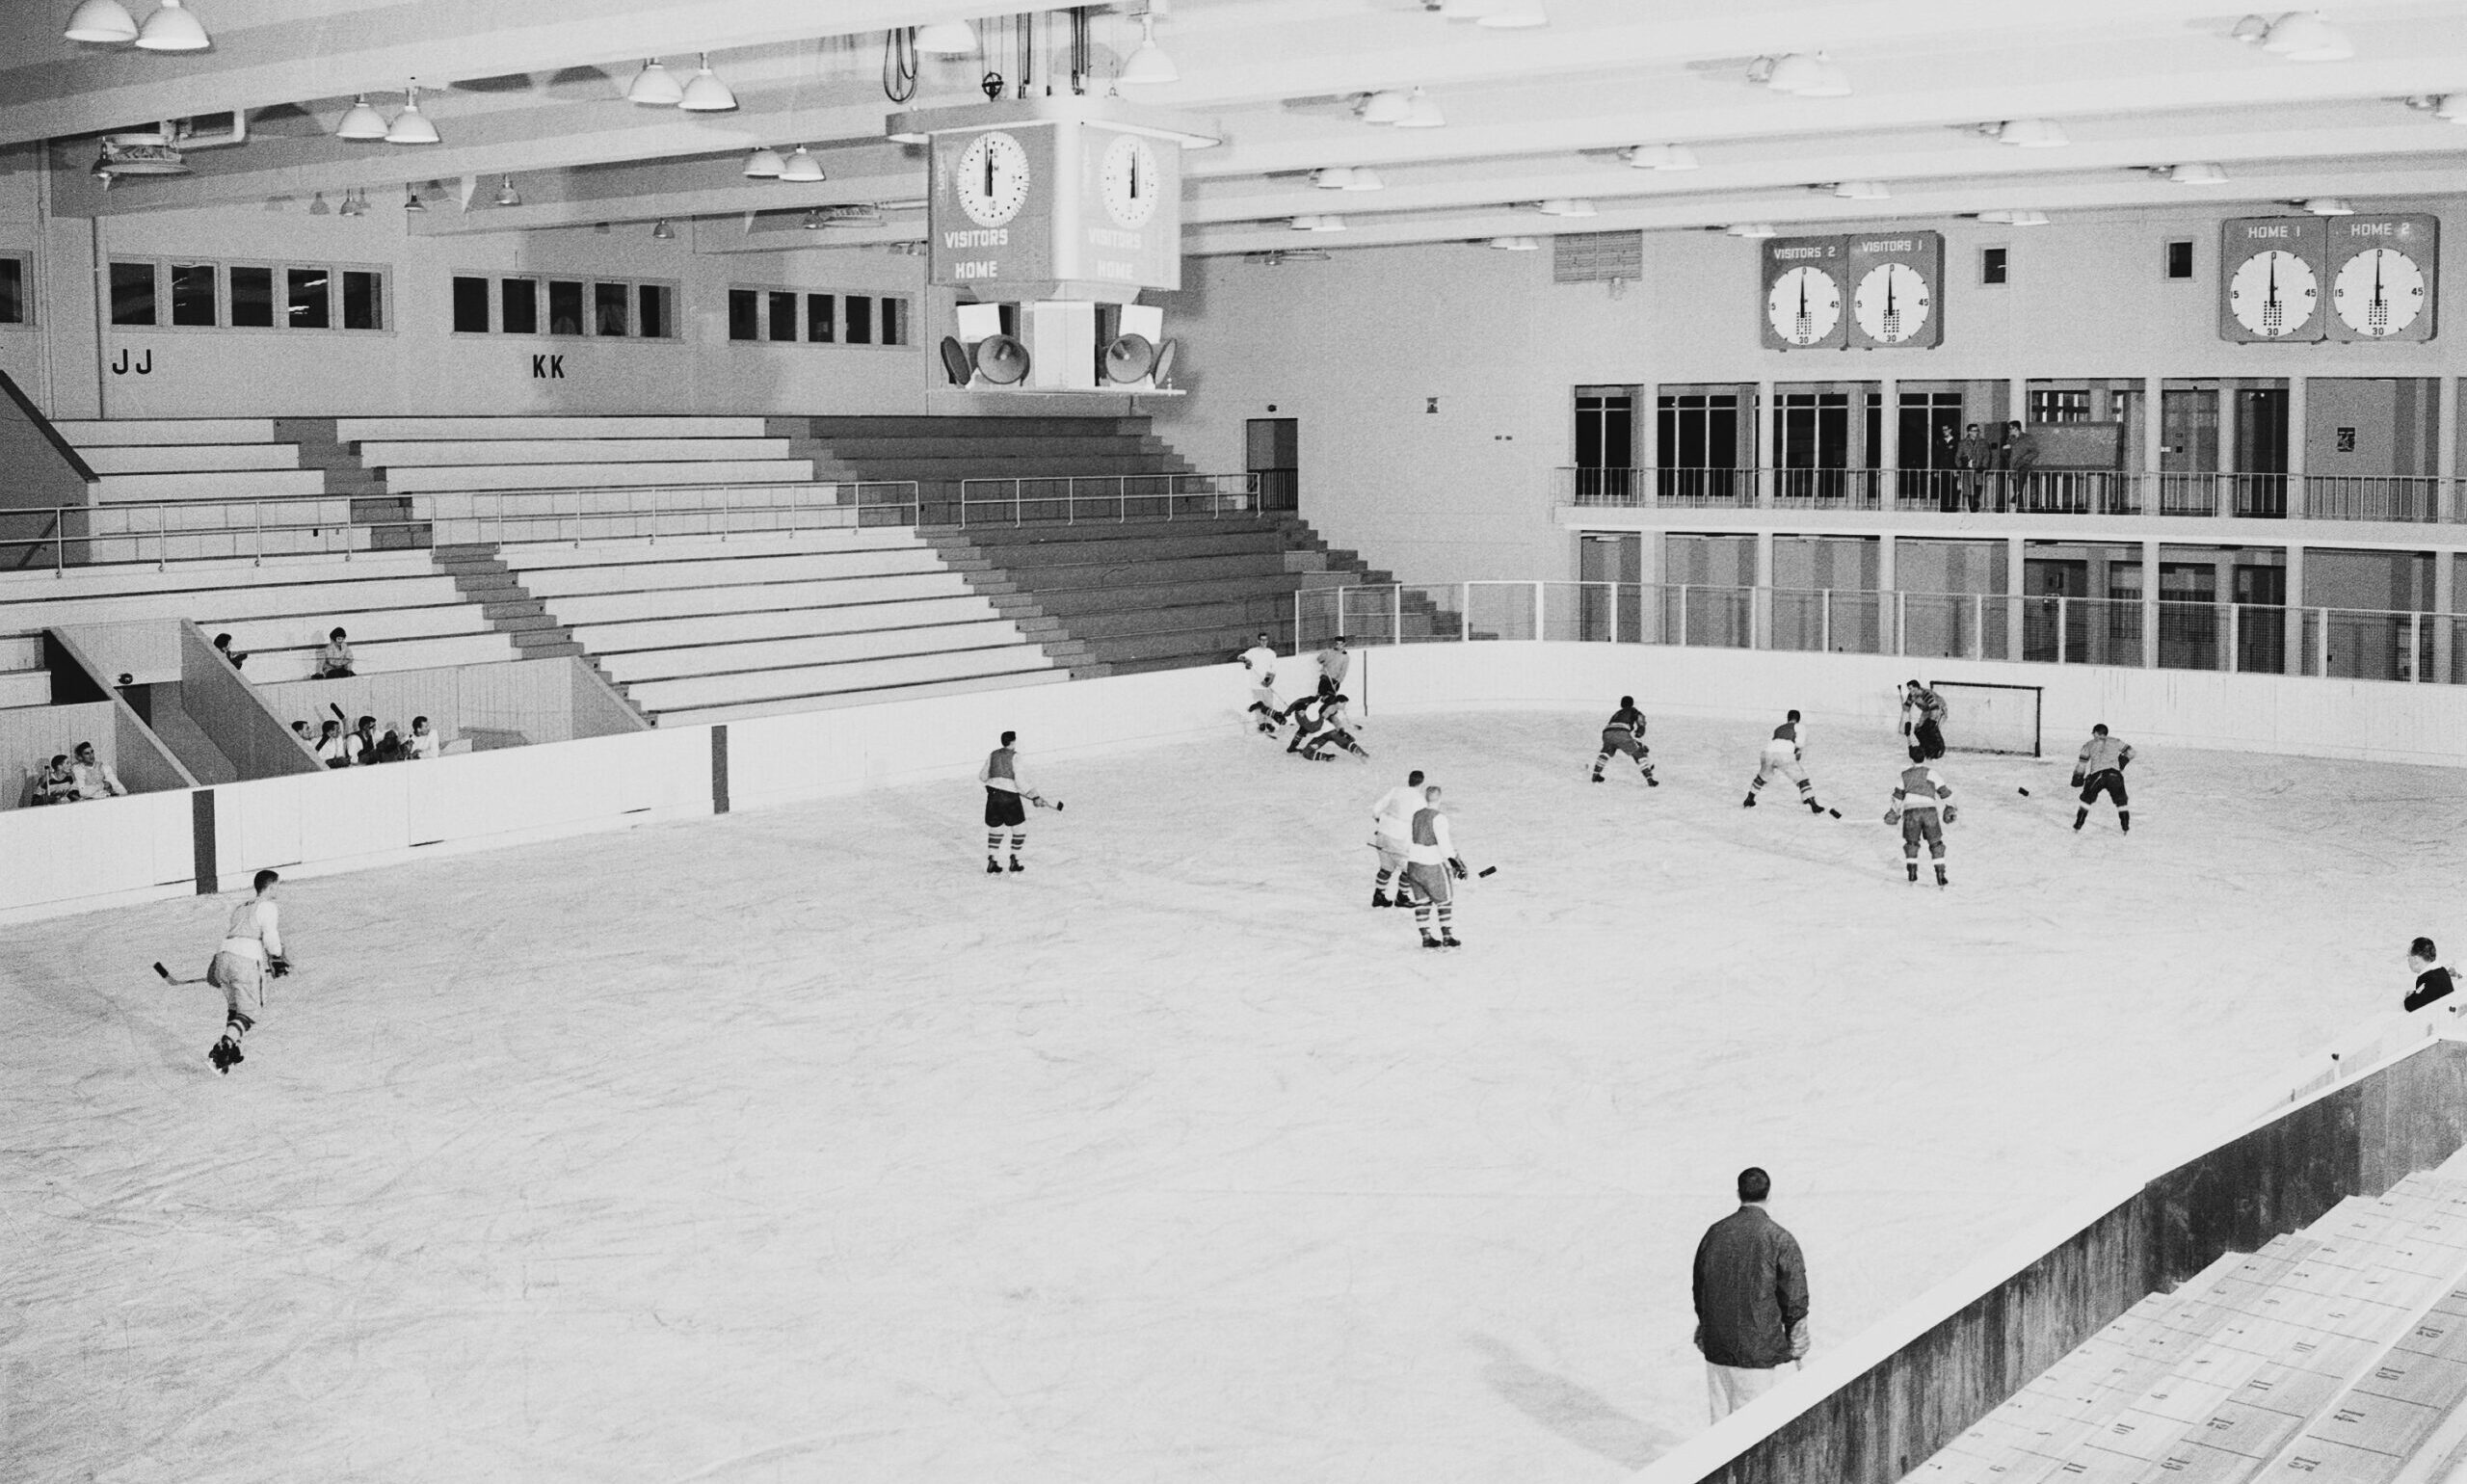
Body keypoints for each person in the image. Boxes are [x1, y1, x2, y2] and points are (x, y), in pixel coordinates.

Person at [1692, 1167, 1811, 1423]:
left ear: (1738, 1193)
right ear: (1768, 1194)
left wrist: (1706, 1324)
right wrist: (1796, 1330)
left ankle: (1718, 1463)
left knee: (1720, 1420)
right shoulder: (1779, 1238)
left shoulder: (1715, 1234)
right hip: (1757, 1347)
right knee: (1751, 1424)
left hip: (1718, 1344)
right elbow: (1794, 1293)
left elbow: (1699, 1284)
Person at [201, 868, 289, 1073]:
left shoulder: (241, 908)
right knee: (249, 1011)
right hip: (246, 961)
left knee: (236, 1007)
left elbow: (234, 935)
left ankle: (233, 1047)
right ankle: (224, 1047)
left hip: (223, 959)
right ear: (271, 885)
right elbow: (271, 939)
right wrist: (277, 958)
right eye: (277, 884)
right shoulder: (267, 906)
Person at [1402, 783, 1468, 949]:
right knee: (1444, 900)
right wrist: (1456, 863)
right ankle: (1447, 936)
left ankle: (1426, 937)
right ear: (1440, 798)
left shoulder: (1417, 814)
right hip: (1431, 864)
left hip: (1413, 863)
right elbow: (1445, 846)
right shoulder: (1439, 818)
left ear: (1426, 798)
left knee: (1422, 902)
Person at [1886, 744, 1955, 888]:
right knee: (1936, 844)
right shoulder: (1931, 773)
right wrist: (1950, 806)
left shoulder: (1904, 776)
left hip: (1911, 812)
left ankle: (1912, 873)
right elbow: (1944, 791)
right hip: (1929, 812)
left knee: (1911, 844)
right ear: (1924, 757)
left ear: (1911, 758)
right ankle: (1940, 875)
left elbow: (1898, 797)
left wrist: (1895, 812)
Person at [979, 729, 1047, 875]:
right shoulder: (1016, 757)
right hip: (1009, 798)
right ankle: (1014, 860)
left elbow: (983, 776)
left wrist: (997, 780)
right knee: (1019, 830)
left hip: (993, 797)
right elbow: (1020, 780)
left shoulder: (993, 754)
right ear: (1013, 742)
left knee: (995, 828)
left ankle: (992, 861)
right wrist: (1034, 796)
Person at [1743, 711, 1825, 814]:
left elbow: (1773, 741)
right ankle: (1813, 804)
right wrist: (1797, 752)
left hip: (1767, 753)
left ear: (1788, 718)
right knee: (1801, 779)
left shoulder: (1779, 728)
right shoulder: (1799, 727)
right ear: (1798, 719)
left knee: (1762, 776)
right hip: (1784, 754)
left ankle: (1749, 798)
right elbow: (1800, 743)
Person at [1368, 769, 1425, 908]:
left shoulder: (1396, 790)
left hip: (1383, 834)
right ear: (1421, 783)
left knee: (1386, 867)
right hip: (1400, 839)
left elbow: (1376, 808)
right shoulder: (1419, 799)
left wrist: (1381, 821)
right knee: (1409, 869)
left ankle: (1379, 895)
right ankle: (1402, 896)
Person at [2072, 724, 2135, 833]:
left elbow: (2082, 764)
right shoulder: (2116, 741)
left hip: (2097, 775)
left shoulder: (2088, 745)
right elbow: (2131, 752)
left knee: (2086, 800)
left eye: (2094, 733)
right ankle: (2125, 828)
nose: (2093, 735)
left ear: (2097, 733)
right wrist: (2121, 763)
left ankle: (2078, 826)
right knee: (2121, 801)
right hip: (2114, 774)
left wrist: (2078, 777)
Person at [1590, 695, 1658, 786]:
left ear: (1621, 704)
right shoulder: (1634, 711)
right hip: (1621, 733)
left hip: (1607, 733)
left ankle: (1596, 774)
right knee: (1639, 755)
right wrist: (1639, 733)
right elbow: (1641, 722)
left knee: (1605, 753)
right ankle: (1650, 779)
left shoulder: (1617, 713)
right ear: (1632, 704)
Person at [1239, 634, 1286, 736]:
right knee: (1259, 705)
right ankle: (1261, 724)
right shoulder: (1252, 651)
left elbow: (1273, 668)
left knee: (1269, 704)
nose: (1264, 642)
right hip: (1255, 684)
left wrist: (1268, 681)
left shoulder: (1271, 653)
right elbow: (1241, 656)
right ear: (1258, 641)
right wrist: (1245, 660)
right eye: (1262, 640)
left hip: (1266, 684)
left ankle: (1269, 724)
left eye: (1266, 640)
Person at [1302, 693, 1368, 761]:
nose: (1344, 706)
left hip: (1327, 733)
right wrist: (1342, 733)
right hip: (1325, 733)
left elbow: (1334, 720)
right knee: (1307, 752)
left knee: (1307, 752)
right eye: (1344, 704)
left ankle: (1327, 756)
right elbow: (1324, 720)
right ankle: (1329, 756)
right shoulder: (1330, 708)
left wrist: (1342, 732)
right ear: (1338, 702)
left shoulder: (1332, 709)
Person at [1899, 679, 1948, 761]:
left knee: (1931, 729)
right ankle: (1925, 748)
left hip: (1938, 709)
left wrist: (1931, 722)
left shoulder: (1926, 694)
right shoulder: (1911, 696)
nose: (1911, 691)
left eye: (1912, 689)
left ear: (1918, 688)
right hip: (1927, 710)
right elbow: (1906, 709)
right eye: (1909, 689)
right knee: (1918, 729)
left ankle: (1939, 750)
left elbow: (1934, 708)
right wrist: (1902, 723)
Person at [2406, 939, 2454, 1014]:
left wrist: (2409, 997)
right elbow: (2428, 994)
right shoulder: (2441, 971)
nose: (2408, 960)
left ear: (2416, 959)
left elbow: (2412, 1005)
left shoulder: (2431, 978)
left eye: (2408, 956)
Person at [2002, 420, 2041, 513]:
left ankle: (2017, 501)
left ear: (2016, 428)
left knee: (2020, 483)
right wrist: (2005, 450)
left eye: (2010, 429)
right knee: (2016, 486)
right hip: (2013, 465)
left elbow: (2035, 452)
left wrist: (2024, 460)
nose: (2009, 431)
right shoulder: (2010, 439)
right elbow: (2008, 455)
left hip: (2024, 465)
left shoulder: (2027, 438)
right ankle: (2019, 506)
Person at [1954, 422, 1992, 514]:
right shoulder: (1963, 443)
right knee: (1970, 491)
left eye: (1977, 431)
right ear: (1969, 432)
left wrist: (1984, 466)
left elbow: (1987, 455)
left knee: (1978, 489)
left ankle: (1975, 504)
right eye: (1974, 431)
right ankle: (1972, 509)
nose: (1976, 433)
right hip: (1968, 471)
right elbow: (1957, 457)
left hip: (1978, 470)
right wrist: (1961, 467)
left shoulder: (1983, 442)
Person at [1284, 691, 1326, 755]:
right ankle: (1292, 747)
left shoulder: (1320, 703)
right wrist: (1287, 713)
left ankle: (1292, 747)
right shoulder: (1309, 700)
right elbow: (1295, 704)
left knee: (1302, 731)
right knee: (1303, 730)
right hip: (1306, 719)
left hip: (1310, 718)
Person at [1316, 635, 1352, 701]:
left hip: (1334, 681)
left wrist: (1338, 682)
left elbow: (1343, 671)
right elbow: (1319, 659)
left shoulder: (1345, 656)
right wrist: (1322, 660)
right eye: (1337, 644)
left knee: (1330, 699)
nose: (1338, 646)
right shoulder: (1328, 652)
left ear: (1344, 644)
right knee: (1320, 697)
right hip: (1325, 678)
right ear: (1334, 643)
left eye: (1341, 644)